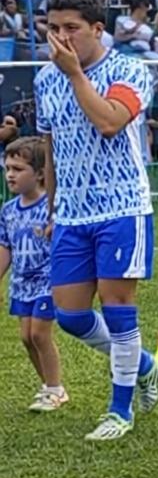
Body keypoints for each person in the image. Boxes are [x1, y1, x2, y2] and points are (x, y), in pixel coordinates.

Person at [34, 0, 158, 441]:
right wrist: (50, 209)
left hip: (121, 206)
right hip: (70, 213)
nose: (61, 38)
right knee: (69, 315)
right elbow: (50, 147)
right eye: (53, 28)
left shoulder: (129, 69)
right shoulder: (46, 78)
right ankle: (144, 366)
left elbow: (108, 121)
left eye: (72, 28)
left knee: (118, 306)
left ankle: (119, 409)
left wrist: (75, 77)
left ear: (97, 30)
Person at [2, 136, 66, 411]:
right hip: (22, 283)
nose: (10, 175)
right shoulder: (7, 211)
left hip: (48, 281)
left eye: (18, 169)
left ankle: (54, 389)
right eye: (7, 168)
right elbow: (5, 247)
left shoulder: (52, 207)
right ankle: (49, 387)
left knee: (40, 334)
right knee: (26, 337)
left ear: (40, 173)